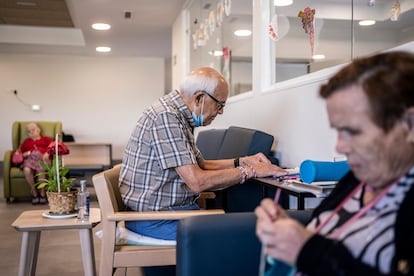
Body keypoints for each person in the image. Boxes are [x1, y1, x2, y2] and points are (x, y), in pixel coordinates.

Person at [255, 51, 414, 275]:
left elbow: (318, 253)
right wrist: (290, 235)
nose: (340, 147)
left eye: (353, 131)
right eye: (338, 131)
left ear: (409, 125)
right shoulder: (357, 181)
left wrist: (308, 251)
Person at [120, 67, 286, 241]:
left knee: (239, 227)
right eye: (219, 104)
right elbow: (197, 182)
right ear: (200, 98)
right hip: (156, 220)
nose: (221, 111)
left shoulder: (178, 115)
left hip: (167, 213)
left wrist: (244, 161)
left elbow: (202, 165)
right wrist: (252, 171)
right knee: (240, 234)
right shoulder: (166, 117)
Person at [17, 122, 53, 204]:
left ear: (38, 130)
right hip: (30, 160)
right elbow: (20, 153)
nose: (31, 132)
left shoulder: (46, 139)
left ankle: (42, 193)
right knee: (26, 170)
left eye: (33, 130)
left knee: (41, 169)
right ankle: (34, 193)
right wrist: (25, 153)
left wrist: (47, 153)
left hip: (42, 159)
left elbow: (53, 147)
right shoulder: (27, 141)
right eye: (29, 131)